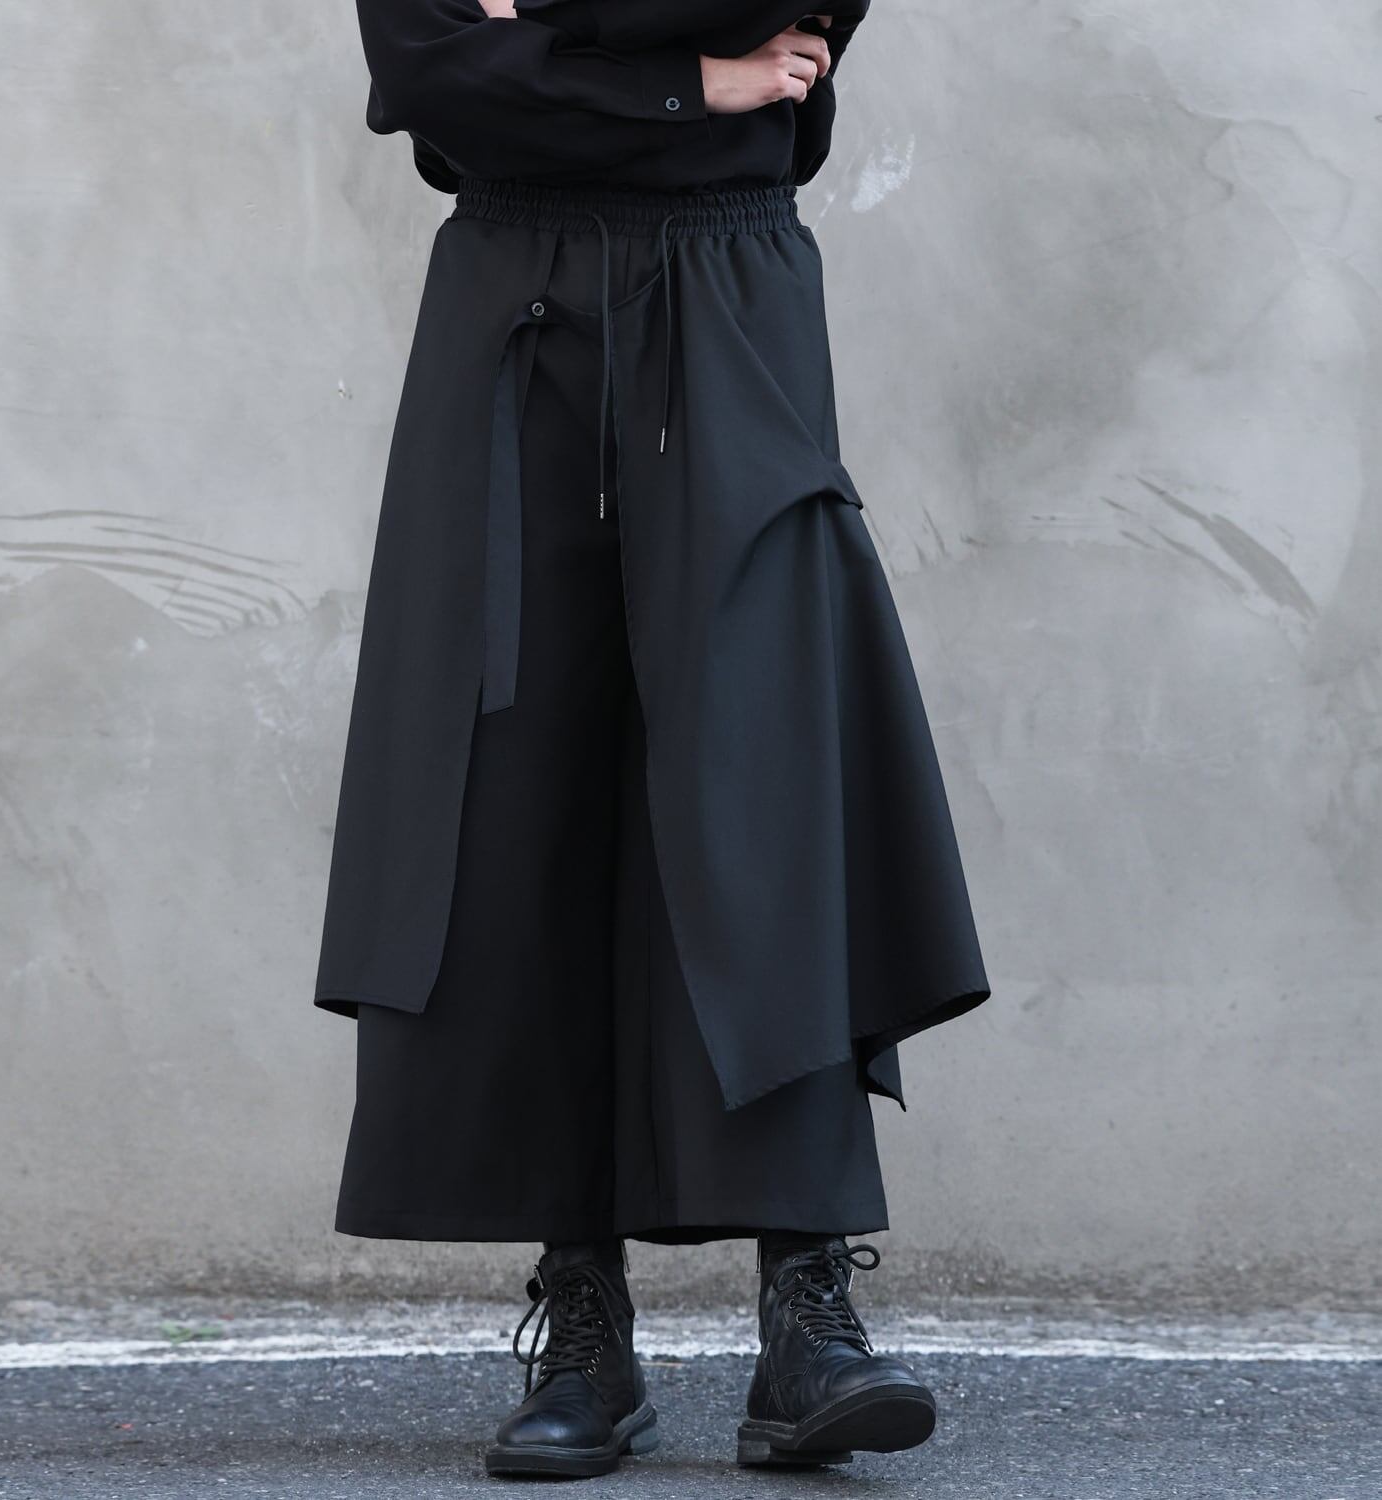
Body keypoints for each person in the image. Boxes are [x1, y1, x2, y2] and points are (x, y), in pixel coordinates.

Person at [312, 0, 992, 1478]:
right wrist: (696, 76)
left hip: (729, 280)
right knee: (515, 787)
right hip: (513, 290)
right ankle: (586, 1326)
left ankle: (807, 1314)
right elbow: (429, 68)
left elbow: (783, 26)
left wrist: (562, 34)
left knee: (767, 779)